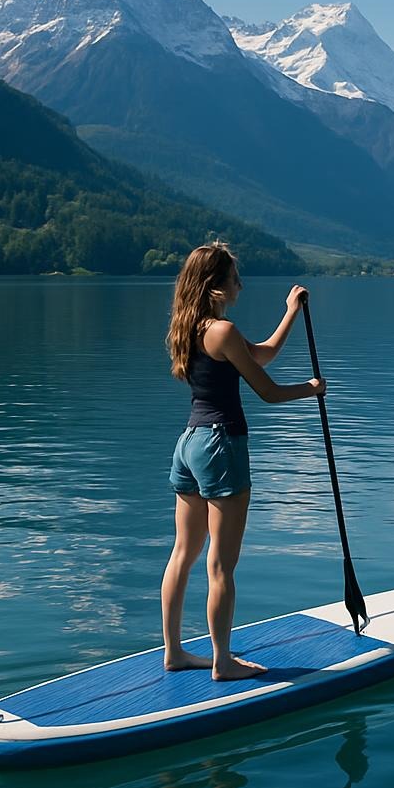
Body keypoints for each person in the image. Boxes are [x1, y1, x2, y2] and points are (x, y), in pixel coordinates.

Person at [161, 242, 325, 680]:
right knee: (221, 564)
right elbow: (268, 392)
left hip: (190, 443)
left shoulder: (189, 326)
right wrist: (311, 389)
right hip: (220, 445)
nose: (240, 284)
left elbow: (262, 354)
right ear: (216, 286)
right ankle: (223, 661)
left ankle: (175, 652)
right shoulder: (223, 331)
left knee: (184, 553)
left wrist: (290, 310)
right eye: (234, 276)